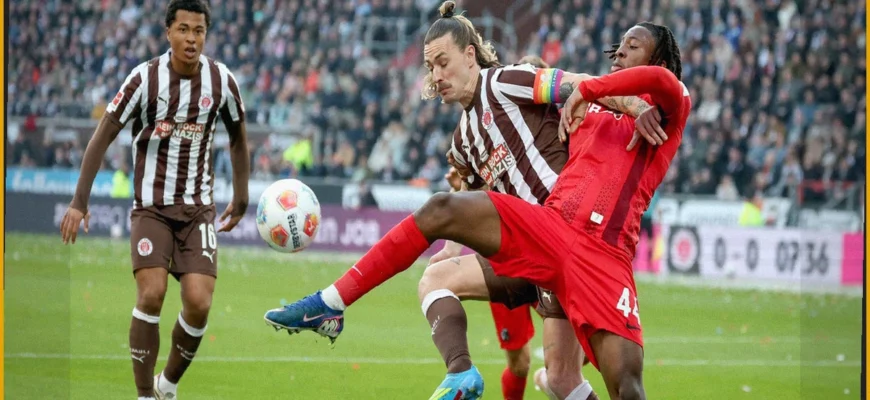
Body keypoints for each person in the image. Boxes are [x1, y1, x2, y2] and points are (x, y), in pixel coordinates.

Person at [267, 2, 681, 399]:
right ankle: (457, 370)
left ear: (470, 55)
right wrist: (448, 249)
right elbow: (470, 194)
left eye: (443, 62)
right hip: (531, 244)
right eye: (430, 67)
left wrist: (634, 105)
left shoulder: (504, 81)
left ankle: (331, 303)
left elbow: (577, 83)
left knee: (563, 379)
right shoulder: (462, 142)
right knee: (435, 278)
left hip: (565, 235)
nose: (436, 76)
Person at [59, 1, 251, 399]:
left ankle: (167, 385)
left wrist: (242, 194)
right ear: (168, 32)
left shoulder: (221, 80)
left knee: (199, 302)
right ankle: (145, 394)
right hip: (152, 209)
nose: (191, 39)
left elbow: (238, 136)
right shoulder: (144, 79)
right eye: (183, 29)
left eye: (198, 31)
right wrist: (79, 201)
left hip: (198, 211)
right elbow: (103, 134)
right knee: (151, 294)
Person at [420, 52, 615, 400]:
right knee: (520, 361)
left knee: (570, 368)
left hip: (558, 249)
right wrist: (454, 232)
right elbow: (476, 188)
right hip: (513, 253)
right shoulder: (487, 130)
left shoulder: (562, 130)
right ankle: (472, 374)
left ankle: (551, 377)